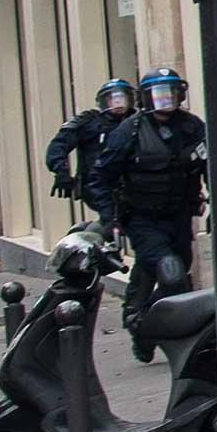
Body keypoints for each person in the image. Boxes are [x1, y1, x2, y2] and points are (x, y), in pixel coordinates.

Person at [94, 69, 206, 362]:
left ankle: (136, 314)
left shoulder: (192, 127)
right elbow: (100, 177)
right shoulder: (129, 131)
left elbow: (212, 166)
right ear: (145, 98)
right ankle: (147, 329)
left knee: (159, 269)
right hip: (142, 217)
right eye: (158, 95)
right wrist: (109, 218)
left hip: (180, 215)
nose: (165, 101)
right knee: (171, 273)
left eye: (171, 93)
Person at [45, 79, 133, 229]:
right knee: (111, 221)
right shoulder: (91, 122)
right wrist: (61, 171)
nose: (118, 104)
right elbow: (59, 145)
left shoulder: (138, 121)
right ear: (104, 101)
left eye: (122, 98)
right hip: (99, 186)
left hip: (134, 184)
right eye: (113, 99)